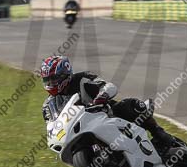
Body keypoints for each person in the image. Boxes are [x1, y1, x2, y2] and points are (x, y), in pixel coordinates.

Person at [40, 55, 178, 158]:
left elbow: (107, 86)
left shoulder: (81, 79)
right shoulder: (48, 106)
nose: (51, 83)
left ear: (65, 73)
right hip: (81, 131)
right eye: (47, 80)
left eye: (54, 79)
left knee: (133, 105)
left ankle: (160, 134)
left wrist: (101, 97)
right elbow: (52, 127)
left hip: (108, 115)